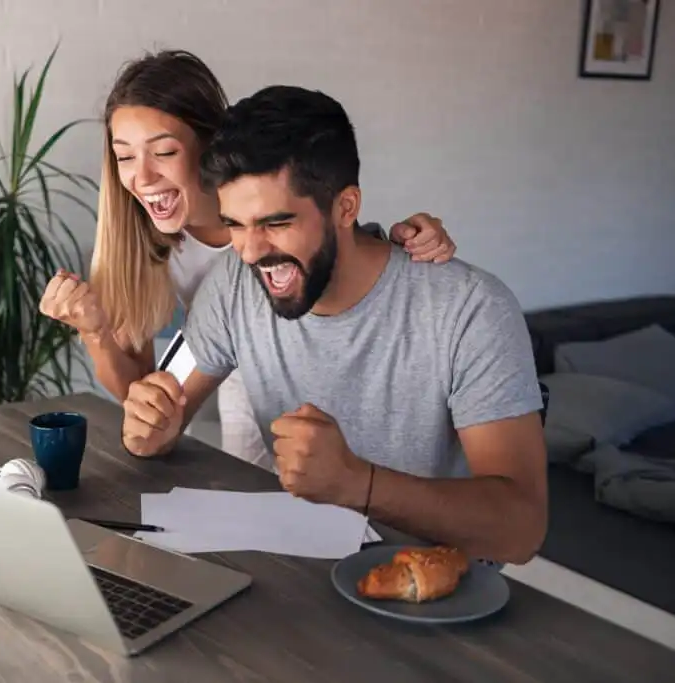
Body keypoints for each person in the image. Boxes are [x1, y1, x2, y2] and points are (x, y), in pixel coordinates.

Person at [119, 85, 548, 565]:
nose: (250, 251)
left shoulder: (470, 310)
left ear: (346, 208)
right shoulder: (234, 286)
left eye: (275, 223)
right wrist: (150, 426)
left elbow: (522, 530)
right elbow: (167, 407)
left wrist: (356, 483)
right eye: (235, 224)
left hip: (433, 595)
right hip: (295, 579)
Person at [39, 50, 458, 471]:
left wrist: (408, 238)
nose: (142, 177)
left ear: (209, 145)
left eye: (163, 152)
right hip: (232, 371)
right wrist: (96, 334)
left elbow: (335, 239)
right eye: (125, 156)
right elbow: (147, 397)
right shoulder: (144, 240)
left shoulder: (269, 200)